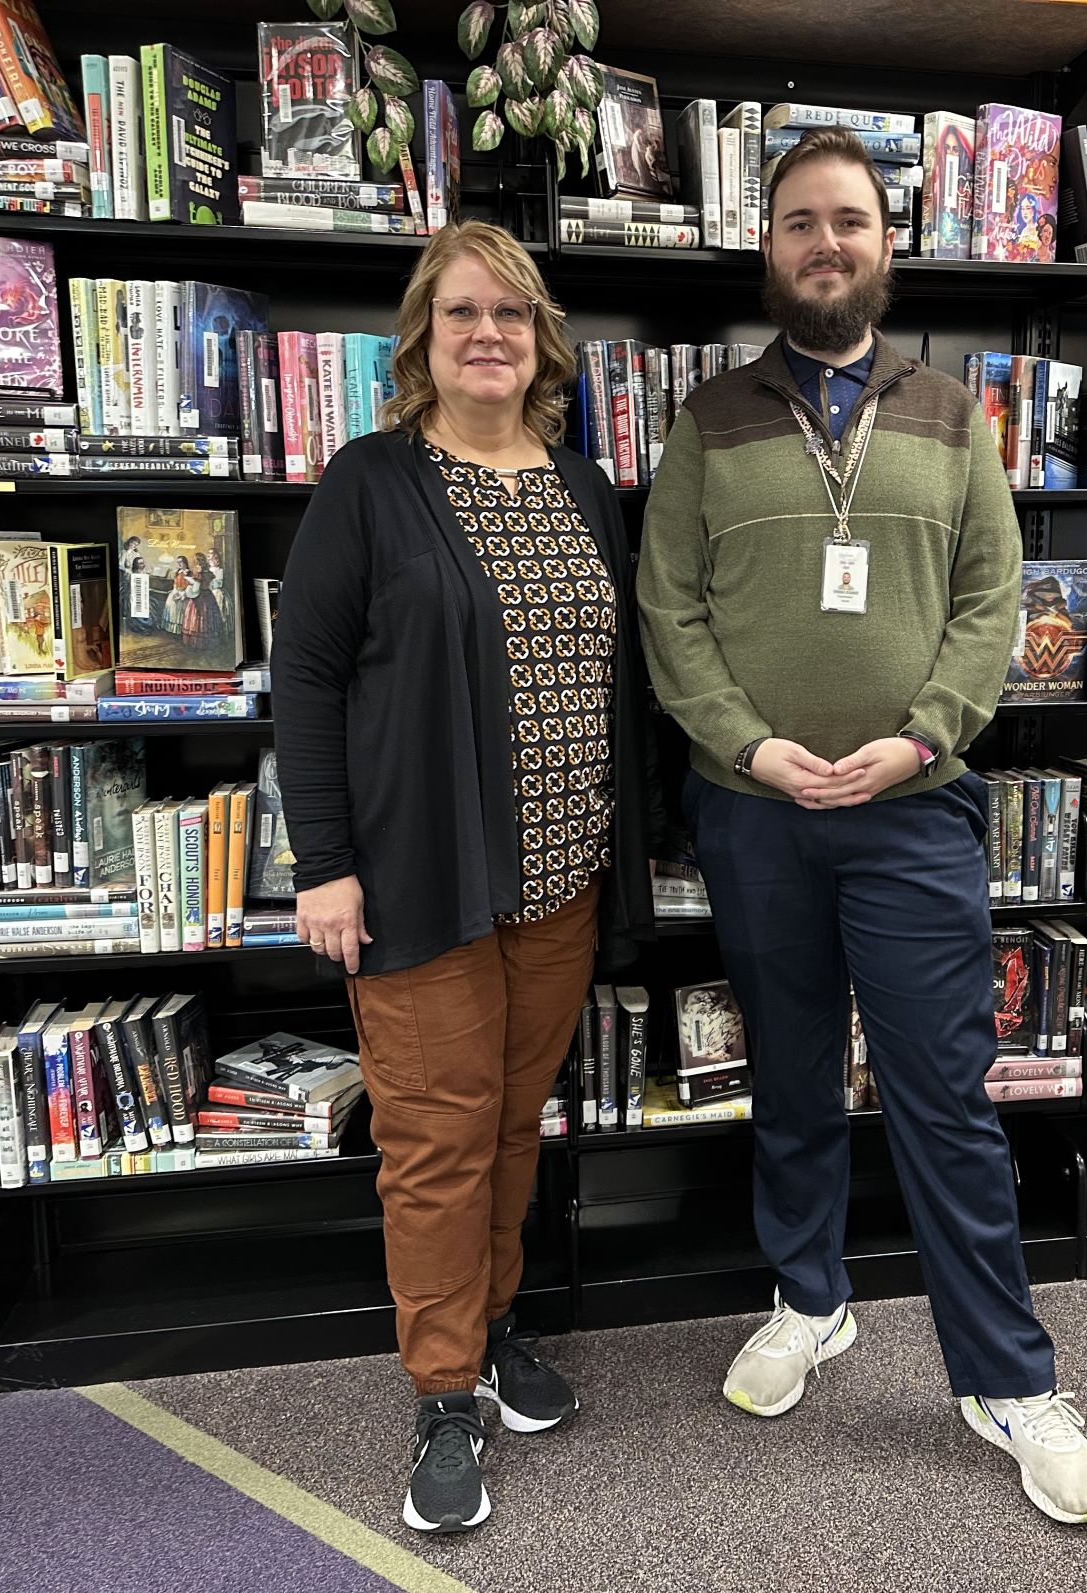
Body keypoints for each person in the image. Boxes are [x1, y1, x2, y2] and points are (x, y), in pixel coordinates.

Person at [637, 129, 1087, 1526]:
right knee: (787, 1078)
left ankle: (1007, 1378)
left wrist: (919, 736)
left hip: (913, 813)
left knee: (945, 1103)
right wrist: (751, 746)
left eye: (849, 219)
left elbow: (993, 600)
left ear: (886, 243)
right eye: (799, 221)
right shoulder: (706, 420)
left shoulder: (958, 415)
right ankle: (811, 1300)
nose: (825, 242)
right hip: (754, 812)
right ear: (767, 244)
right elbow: (669, 611)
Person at [271, 219, 662, 1536]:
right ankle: (443, 1391)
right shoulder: (371, 480)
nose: (486, 333)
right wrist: (321, 861)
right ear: (424, 341)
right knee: (435, 1146)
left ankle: (492, 1328)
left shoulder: (584, 486)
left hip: (558, 882)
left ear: (539, 339)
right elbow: (308, 678)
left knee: (508, 1126)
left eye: (510, 313)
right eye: (460, 314)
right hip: (421, 880)